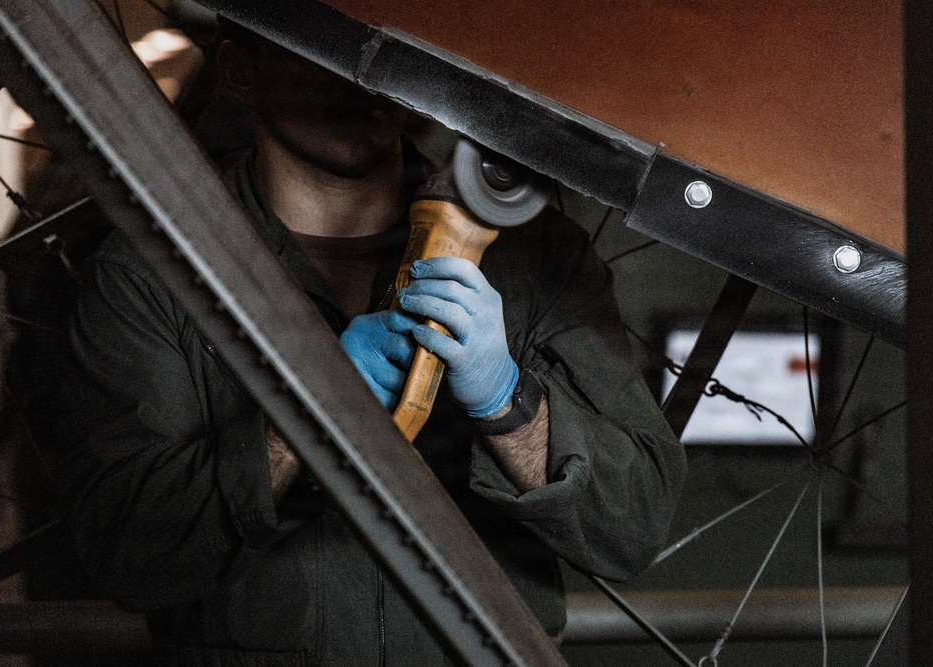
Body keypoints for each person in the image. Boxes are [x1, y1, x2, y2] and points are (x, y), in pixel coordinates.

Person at [47, 19, 687, 666]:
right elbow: (125, 551)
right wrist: (300, 425)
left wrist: (508, 401)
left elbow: (632, 527)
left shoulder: (537, 255)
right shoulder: (158, 272)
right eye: (322, 46)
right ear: (240, 70)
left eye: (385, 49)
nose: (364, 77)